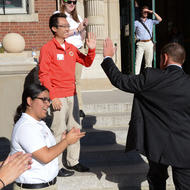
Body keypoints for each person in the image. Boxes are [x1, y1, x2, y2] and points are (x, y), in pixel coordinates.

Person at [101, 38, 190, 190]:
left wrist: (108, 58)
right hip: (185, 146)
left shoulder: (151, 77)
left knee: (156, 182)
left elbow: (120, 80)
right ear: (182, 60)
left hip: (156, 144)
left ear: (165, 57)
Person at [38, 13, 96, 176]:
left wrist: (91, 49)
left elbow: (87, 62)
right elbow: (44, 75)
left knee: (75, 129)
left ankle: (73, 161)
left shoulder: (71, 48)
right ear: (54, 29)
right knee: (58, 131)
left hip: (73, 94)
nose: (67, 29)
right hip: (58, 96)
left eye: (67, 26)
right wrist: (53, 96)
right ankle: (56, 166)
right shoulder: (47, 49)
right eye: (63, 26)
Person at [11, 83, 85, 190]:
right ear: (29, 101)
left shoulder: (39, 123)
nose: (47, 104)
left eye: (48, 100)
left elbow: (48, 151)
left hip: (48, 185)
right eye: (43, 100)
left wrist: (62, 141)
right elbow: (45, 157)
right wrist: (66, 142)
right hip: (33, 187)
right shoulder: (26, 127)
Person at [59, 0, 88, 118]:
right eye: (69, 1)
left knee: (77, 80)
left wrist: (83, 28)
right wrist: (77, 29)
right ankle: (66, 105)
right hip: (66, 50)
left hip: (79, 49)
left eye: (74, 2)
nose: (72, 4)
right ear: (63, 2)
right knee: (66, 79)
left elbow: (81, 37)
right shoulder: (59, 16)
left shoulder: (77, 17)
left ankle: (79, 107)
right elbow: (61, 34)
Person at [135, 5, 162, 74]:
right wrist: (135, 38)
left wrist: (152, 12)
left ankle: (147, 78)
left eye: (147, 12)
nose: (145, 13)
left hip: (149, 43)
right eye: (144, 11)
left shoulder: (150, 21)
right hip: (140, 43)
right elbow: (131, 31)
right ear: (141, 12)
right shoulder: (136, 22)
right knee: (137, 62)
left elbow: (160, 19)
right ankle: (135, 78)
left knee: (149, 63)